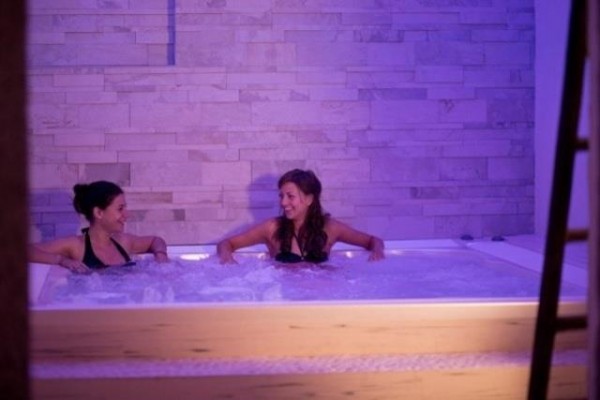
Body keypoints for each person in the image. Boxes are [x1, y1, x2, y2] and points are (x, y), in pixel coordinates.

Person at [217, 169, 385, 264]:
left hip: (322, 297)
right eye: (281, 196)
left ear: (309, 199)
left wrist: (377, 252)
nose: (283, 202)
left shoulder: (330, 228)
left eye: (290, 196)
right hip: (285, 298)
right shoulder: (271, 228)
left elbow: (373, 241)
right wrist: (226, 258)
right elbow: (226, 244)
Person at [29, 180, 169, 273]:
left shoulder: (123, 241)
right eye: (120, 208)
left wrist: (161, 255)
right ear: (98, 213)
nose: (127, 214)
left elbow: (155, 240)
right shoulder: (76, 246)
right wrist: (61, 260)